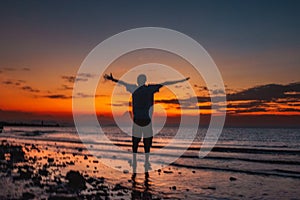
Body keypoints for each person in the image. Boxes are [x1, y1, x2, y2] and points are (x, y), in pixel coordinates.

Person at [104, 73, 190, 171]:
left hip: (137, 120)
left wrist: (112, 79)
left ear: (138, 81)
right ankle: (146, 162)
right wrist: (181, 80)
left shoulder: (134, 88)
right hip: (146, 120)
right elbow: (166, 83)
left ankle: (135, 161)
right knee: (147, 142)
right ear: (145, 81)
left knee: (135, 142)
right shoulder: (150, 89)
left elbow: (122, 83)